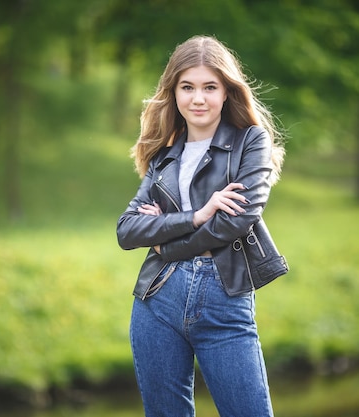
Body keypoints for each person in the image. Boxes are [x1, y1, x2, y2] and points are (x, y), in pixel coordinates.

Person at [116, 35, 285, 417]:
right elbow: (127, 230)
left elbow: (237, 220)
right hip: (158, 300)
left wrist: (167, 242)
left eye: (210, 87)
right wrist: (196, 215)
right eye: (187, 87)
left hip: (225, 299)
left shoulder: (251, 143)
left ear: (227, 91)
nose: (198, 98)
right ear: (173, 92)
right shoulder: (164, 155)